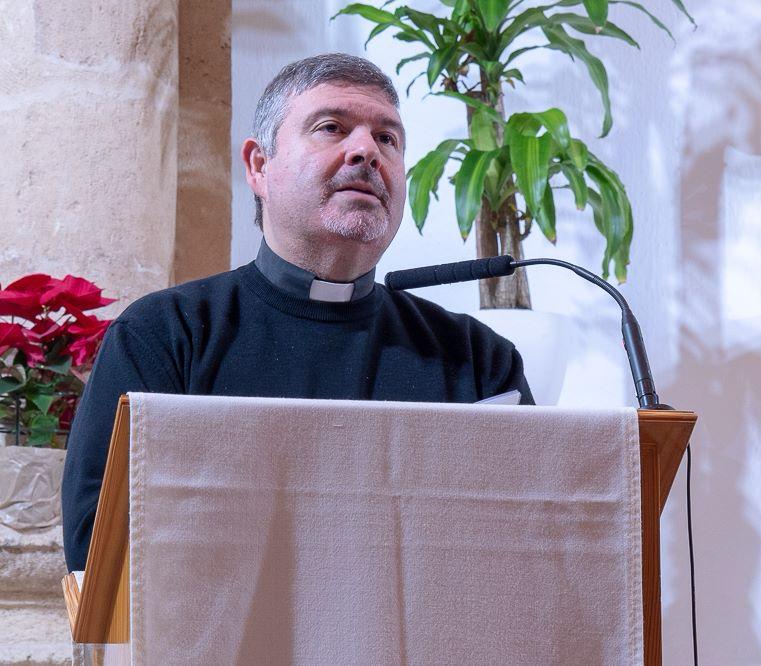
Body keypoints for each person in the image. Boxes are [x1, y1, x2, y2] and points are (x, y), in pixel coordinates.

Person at [61, 53, 533, 572]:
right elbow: (98, 550)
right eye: (332, 128)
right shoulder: (167, 334)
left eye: (387, 138)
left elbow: (533, 546)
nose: (366, 151)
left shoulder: (476, 357)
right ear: (259, 167)